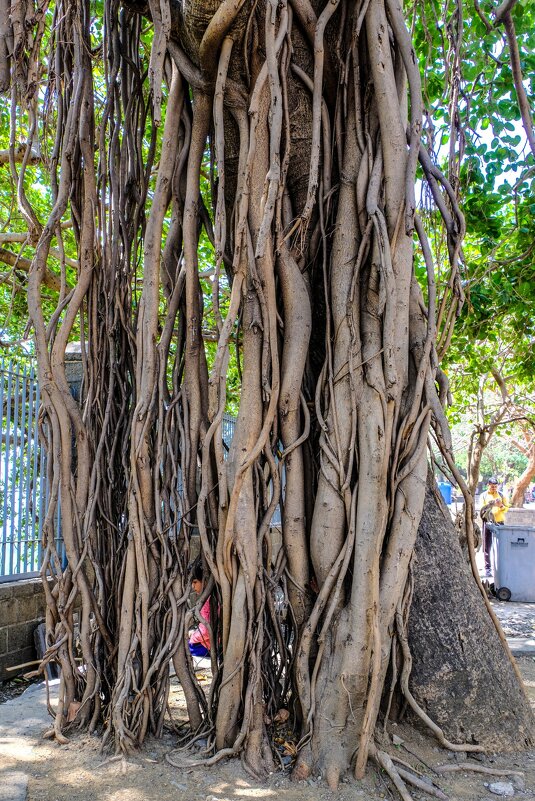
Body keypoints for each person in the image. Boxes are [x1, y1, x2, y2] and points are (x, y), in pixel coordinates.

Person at [479, 477, 510, 576]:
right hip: (488, 522)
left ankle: (501, 567)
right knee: (487, 546)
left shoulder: (501, 495)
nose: (494, 488)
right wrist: (491, 505)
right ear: (488, 485)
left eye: (495, 486)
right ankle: (488, 568)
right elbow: (482, 510)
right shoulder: (483, 496)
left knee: (501, 545)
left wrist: (500, 505)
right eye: (492, 486)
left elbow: (506, 509)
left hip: (499, 522)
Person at [188, 564, 211, 658]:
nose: (193, 586)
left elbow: (205, 631)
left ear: (205, 581)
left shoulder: (208, 601)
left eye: (195, 582)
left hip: (205, 647)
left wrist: (193, 637)